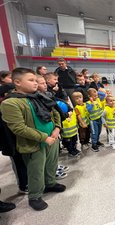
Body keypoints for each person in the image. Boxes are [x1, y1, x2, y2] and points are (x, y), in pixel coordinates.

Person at [1, 67, 66, 211]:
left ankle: (50, 183)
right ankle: (35, 196)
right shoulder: (10, 103)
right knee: (35, 170)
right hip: (33, 143)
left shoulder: (41, 96)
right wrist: (44, 138)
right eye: (31, 80)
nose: (35, 83)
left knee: (51, 164)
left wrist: (57, 128)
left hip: (52, 137)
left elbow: (55, 112)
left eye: (36, 80)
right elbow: (18, 128)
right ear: (17, 82)